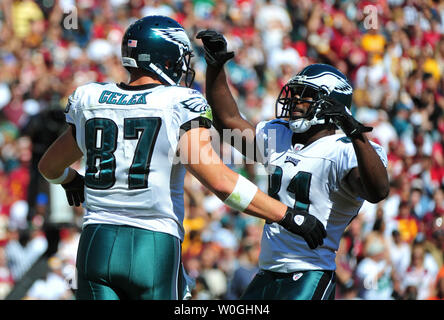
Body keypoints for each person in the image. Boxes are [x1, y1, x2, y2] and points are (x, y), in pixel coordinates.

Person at [37, 15, 326, 300]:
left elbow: (49, 166)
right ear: (166, 59)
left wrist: (69, 178)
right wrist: (287, 215)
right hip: (152, 248)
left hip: (95, 246)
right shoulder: (179, 103)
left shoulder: (91, 99)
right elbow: (221, 181)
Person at [197, 30, 389, 300]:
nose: (295, 102)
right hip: (266, 271)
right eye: (295, 94)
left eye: (305, 96)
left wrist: (356, 134)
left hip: (310, 271)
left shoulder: (345, 149)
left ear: (330, 104)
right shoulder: (280, 135)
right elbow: (227, 119)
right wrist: (215, 66)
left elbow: (377, 191)